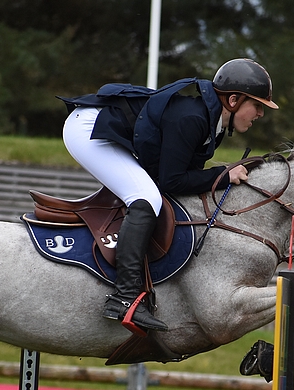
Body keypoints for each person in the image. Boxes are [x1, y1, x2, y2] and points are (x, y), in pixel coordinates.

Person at [59, 58, 278, 334]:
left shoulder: (212, 124)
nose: (260, 113)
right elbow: (172, 180)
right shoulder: (194, 118)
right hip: (89, 129)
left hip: (104, 127)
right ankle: (124, 298)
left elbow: (180, 178)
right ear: (233, 100)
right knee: (145, 199)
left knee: (152, 195)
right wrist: (223, 175)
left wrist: (221, 174)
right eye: (257, 105)